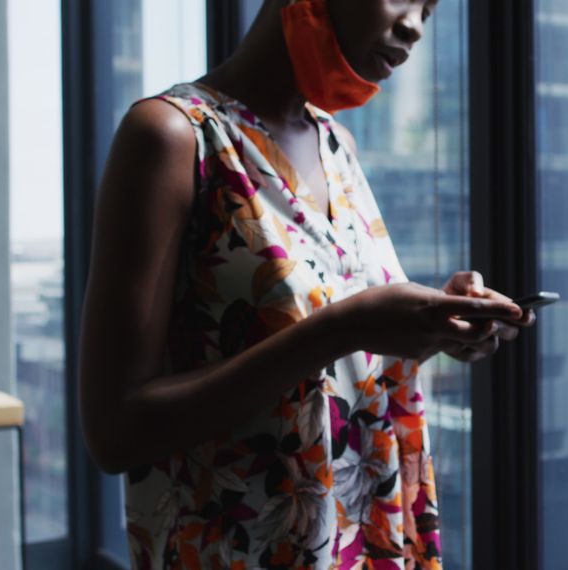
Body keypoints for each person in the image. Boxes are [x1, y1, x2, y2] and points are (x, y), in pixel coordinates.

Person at [78, 0, 535, 567]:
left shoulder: (338, 145)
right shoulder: (174, 138)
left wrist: (434, 323)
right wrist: (344, 328)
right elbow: (115, 430)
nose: (415, 26)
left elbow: (336, 345)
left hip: (366, 543)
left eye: (430, 8)